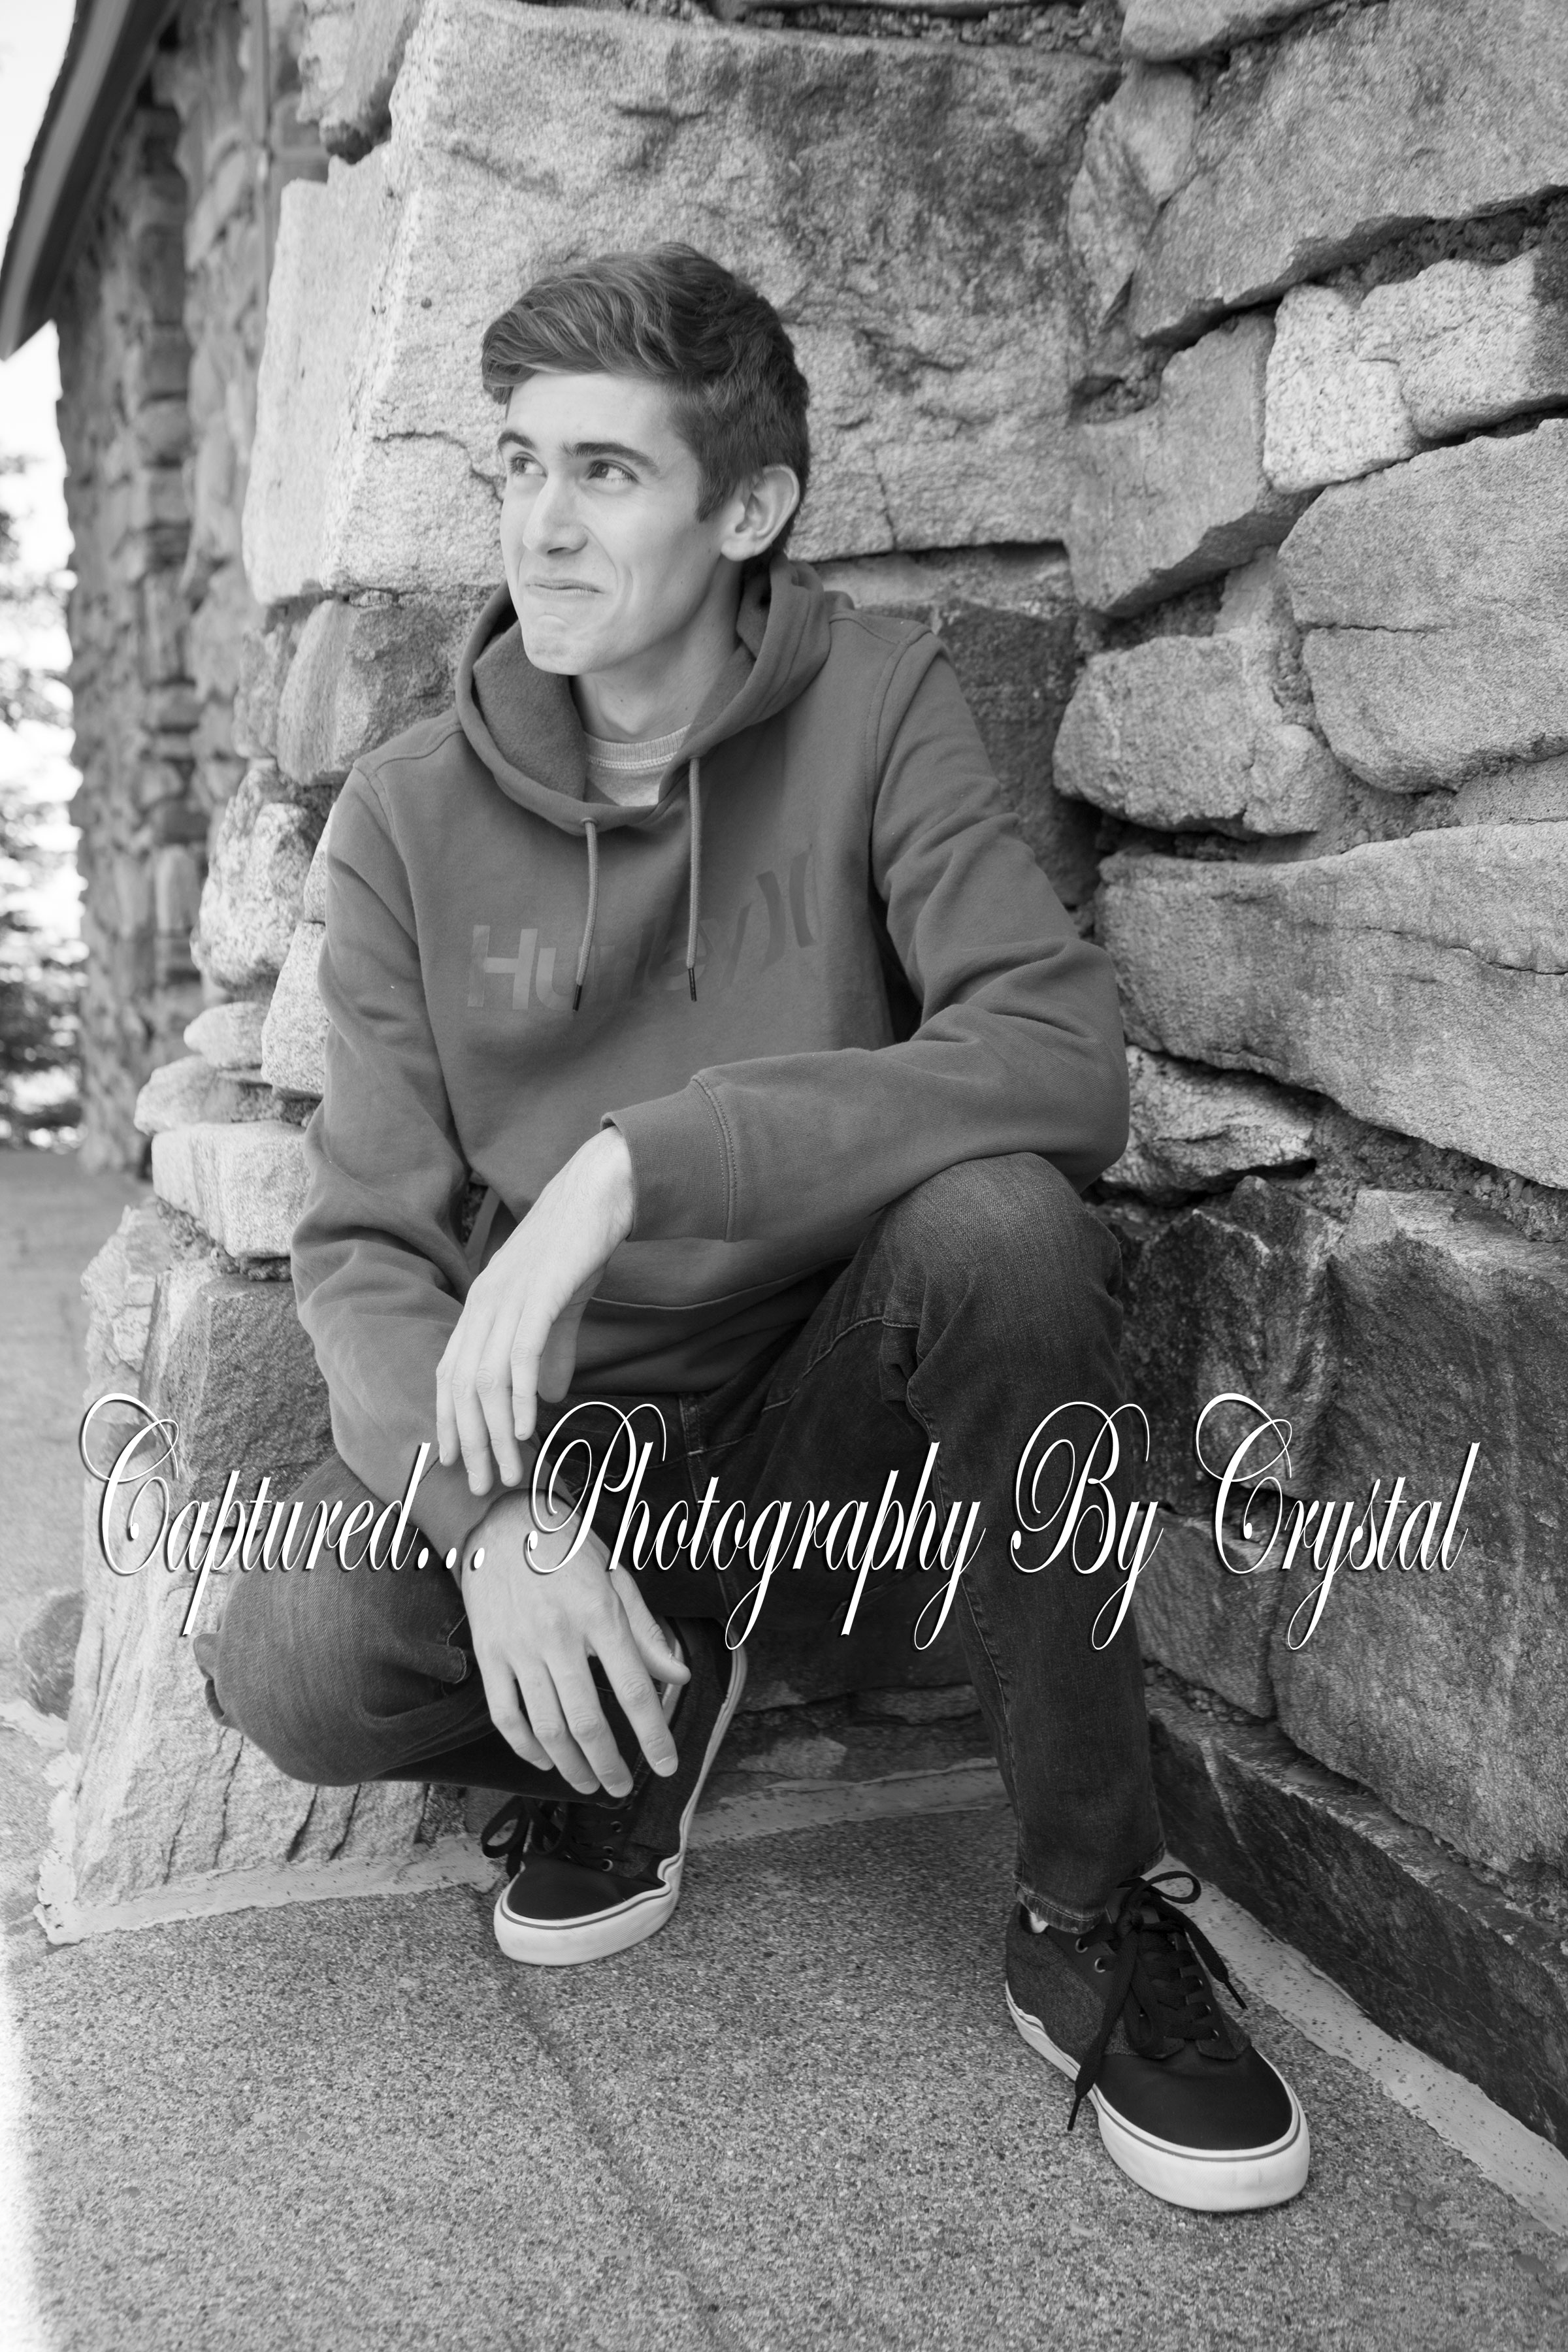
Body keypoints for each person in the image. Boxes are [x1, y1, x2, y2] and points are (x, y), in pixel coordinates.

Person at [197, 244, 1309, 2214]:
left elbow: (1058, 1058)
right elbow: (365, 1249)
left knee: (1007, 1227)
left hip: (829, 1432)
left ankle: (1087, 1912)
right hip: (572, 1456)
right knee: (293, 1655)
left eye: (606, 472)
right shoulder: (404, 813)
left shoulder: (874, 706)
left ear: (750, 506)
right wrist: (496, 1520)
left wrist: (642, 1162)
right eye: (520, 462)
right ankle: (636, 1704)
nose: (540, 524)